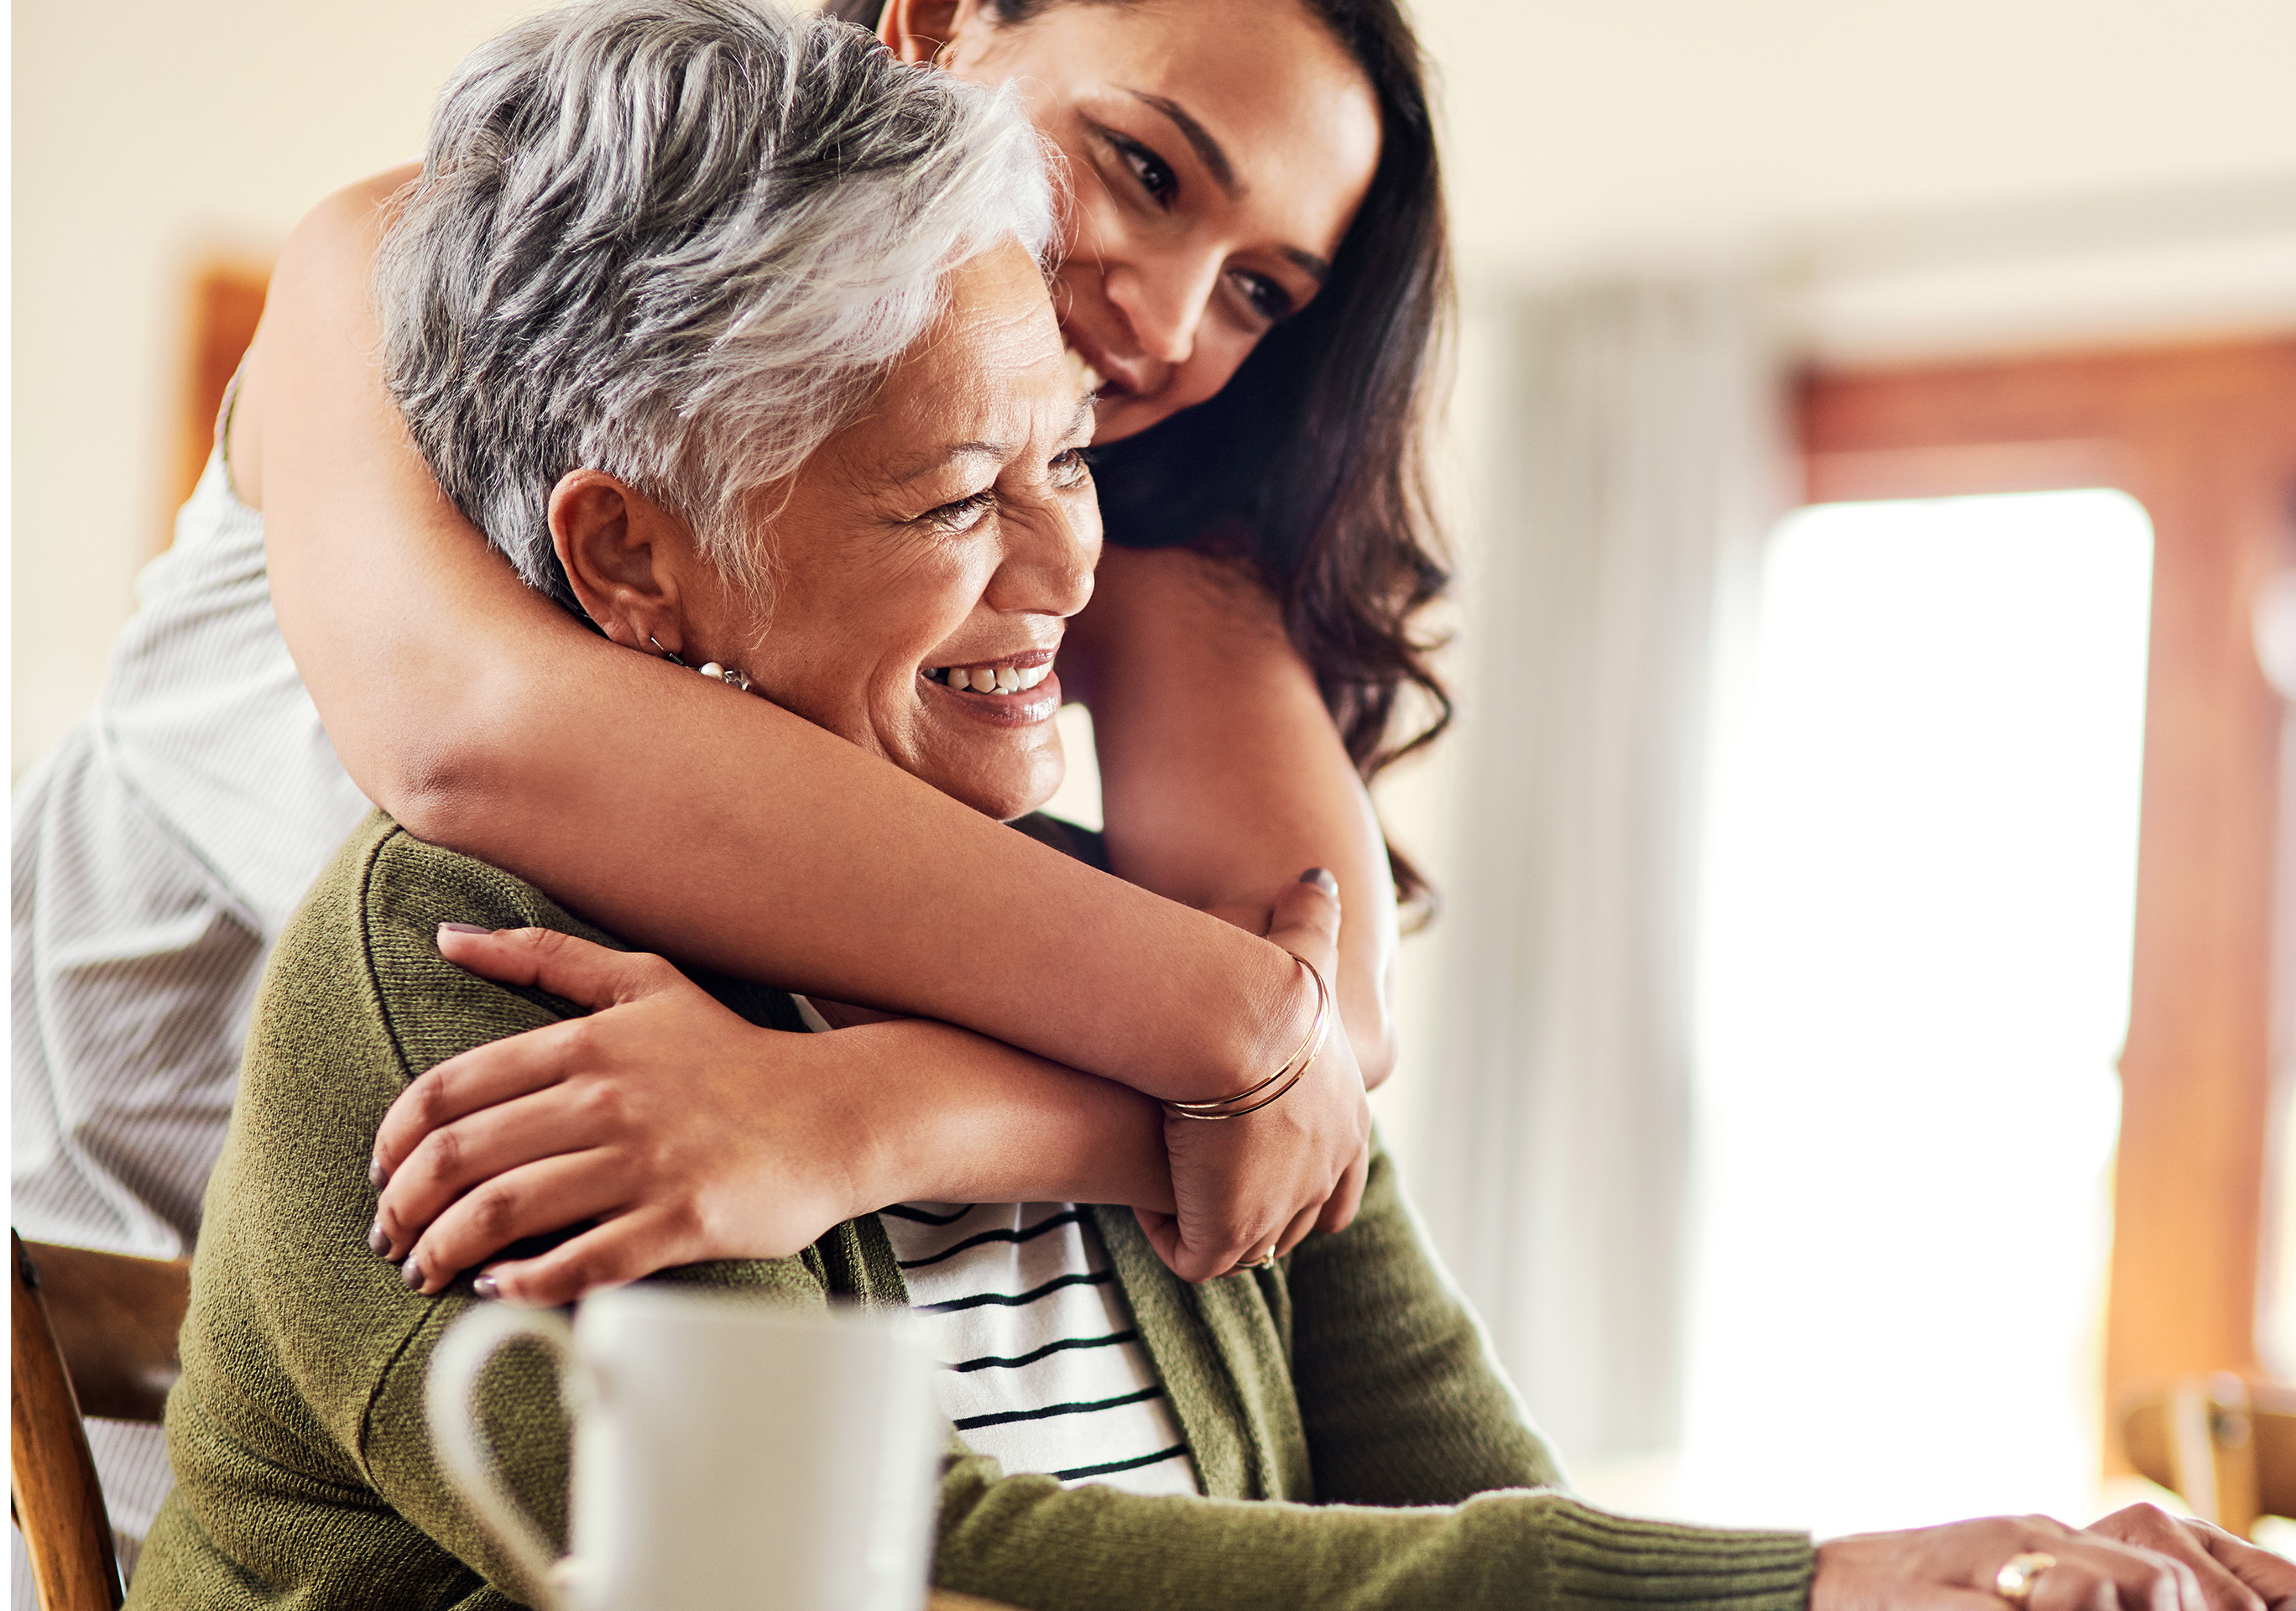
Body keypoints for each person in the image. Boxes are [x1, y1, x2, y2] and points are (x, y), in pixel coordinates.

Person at [133, 8, 2296, 1608]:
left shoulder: (1086, 839)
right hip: (120, 1190)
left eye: (1072, 462)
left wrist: (889, 1113)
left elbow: (1338, 1141)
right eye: (957, 497)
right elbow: (888, 1570)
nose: (1160, 335)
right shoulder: (477, 926)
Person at [20, 0, 1427, 1548]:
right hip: (110, 1326)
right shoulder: (431, 267)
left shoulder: (1072, 491)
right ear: (937, 26)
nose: (1167, 323)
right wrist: (1231, 1035)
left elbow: (1321, 1024)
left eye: (1259, 290)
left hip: (547, 1320)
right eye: (1147, 172)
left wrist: (870, 1116)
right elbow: (477, 738)